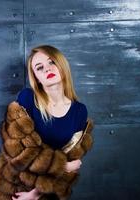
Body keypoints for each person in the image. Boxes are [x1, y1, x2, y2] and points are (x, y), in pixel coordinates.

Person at [12, 45, 88, 200]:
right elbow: (18, 151)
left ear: (61, 64)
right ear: (36, 78)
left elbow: (73, 158)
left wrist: (36, 194)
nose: (47, 69)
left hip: (49, 192)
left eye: (51, 62)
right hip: (18, 188)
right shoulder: (27, 98)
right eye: (39, 68)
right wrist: (62, 166)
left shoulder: (79, 111)